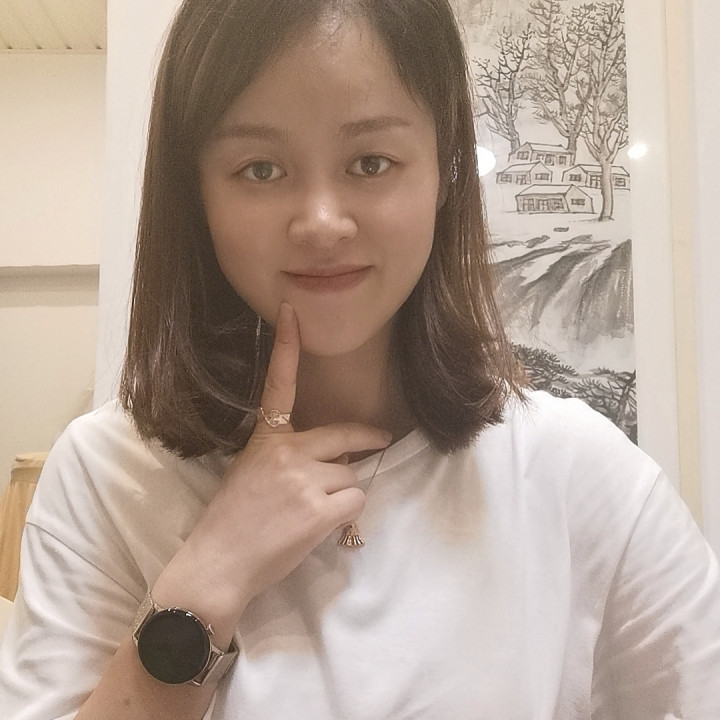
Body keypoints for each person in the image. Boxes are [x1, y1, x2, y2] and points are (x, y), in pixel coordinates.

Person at [1, 0, 719, 717]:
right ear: (196, 195)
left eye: (371, 162)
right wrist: (207, 579)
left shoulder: (582, 477)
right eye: (260, 169)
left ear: (445, 172)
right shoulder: (110, 476)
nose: (321, 222)